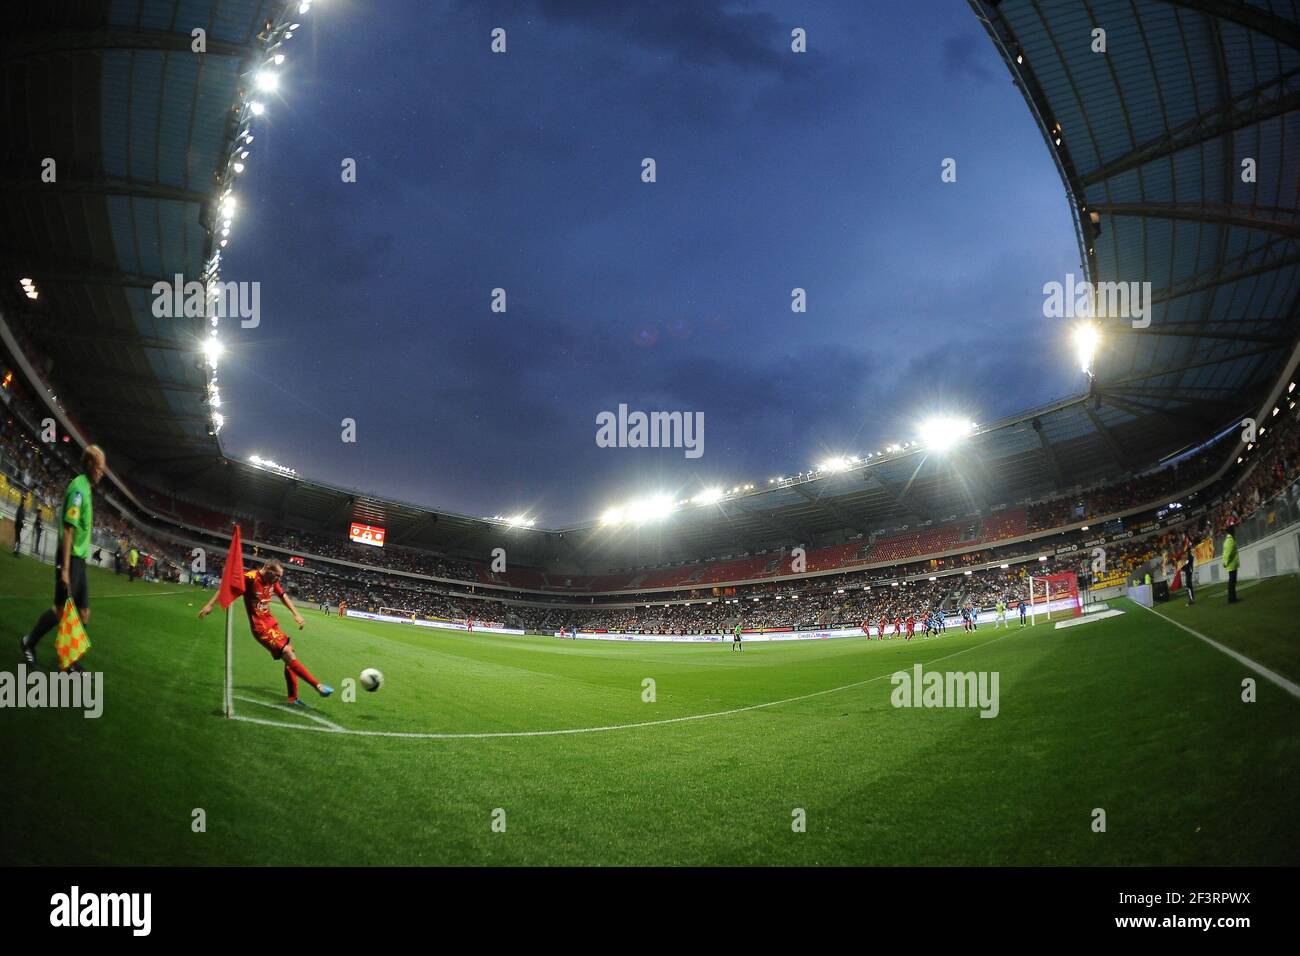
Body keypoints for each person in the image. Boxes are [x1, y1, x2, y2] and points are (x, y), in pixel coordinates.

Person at [199, 558, 333, 706]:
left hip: (271, 623)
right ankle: (318, 686)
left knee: (290, 654)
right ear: (268, 568)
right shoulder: (249, 578)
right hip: (260, 627)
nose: (278, 579)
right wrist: (210, 605)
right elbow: (227, 588)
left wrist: (296, 614)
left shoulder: (272, 581)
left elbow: (283, 596)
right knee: (288, 653)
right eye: (277, 575)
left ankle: (293, 698)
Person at [19, 445, 106, 669]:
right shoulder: (78, 489)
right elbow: (68, 529)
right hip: (69, 559)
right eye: (100, 467)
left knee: (83, 613)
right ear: (90, 465)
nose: (102, 472)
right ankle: (29, 643)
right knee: (60, 611)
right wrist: (65, 569)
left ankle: (69, 661)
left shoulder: (86, 489)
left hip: (79, 560)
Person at [1222, 523, 1240, 603]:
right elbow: (1227, 553)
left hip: (1231, 564)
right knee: (1232, 582)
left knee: (1232, 582)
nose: (1235, 531)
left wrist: (1225, 562)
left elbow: (1226, 553)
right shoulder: (1230, 540)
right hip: (1231, 564)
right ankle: (1231, 598)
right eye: (1234, 530)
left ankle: (1233, 598)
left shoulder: (1229, 540)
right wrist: (1225, 562)